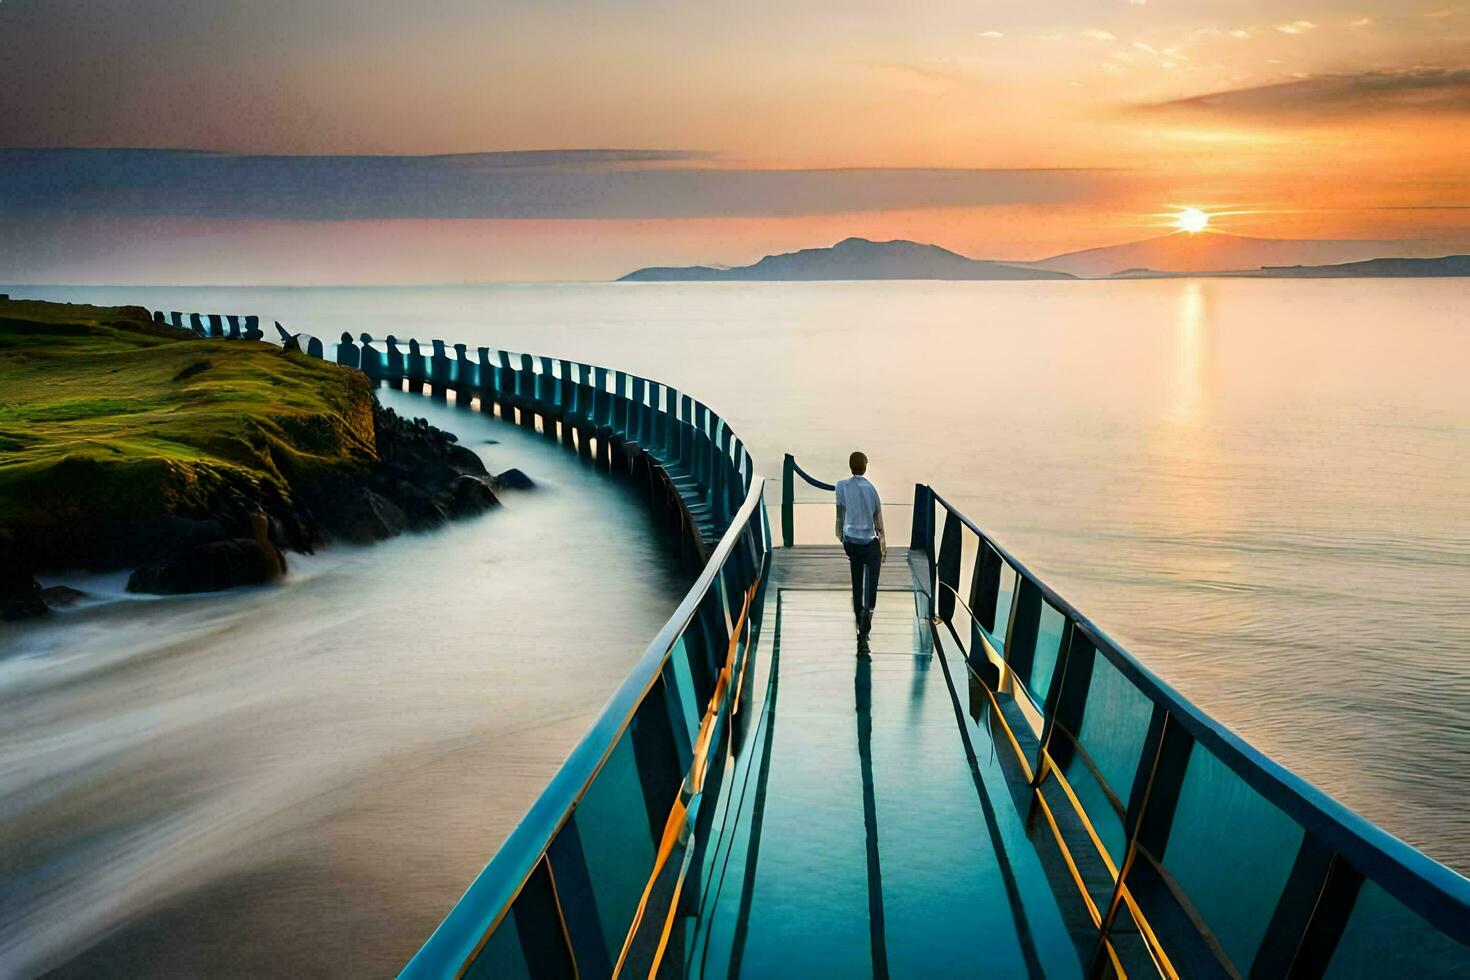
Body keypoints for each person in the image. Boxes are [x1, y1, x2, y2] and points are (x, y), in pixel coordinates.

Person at [835, 451, 885, 650]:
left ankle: (859, 621)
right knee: (871, 583)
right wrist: (883, 544)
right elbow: (878, 522)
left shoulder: (841, 486)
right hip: (870, 543)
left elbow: (839, 516)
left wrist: (842, 538)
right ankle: (867, 617)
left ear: (850, 466)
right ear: (864, 467)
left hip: (852, 542)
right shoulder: (872, 489)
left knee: (857, 581)